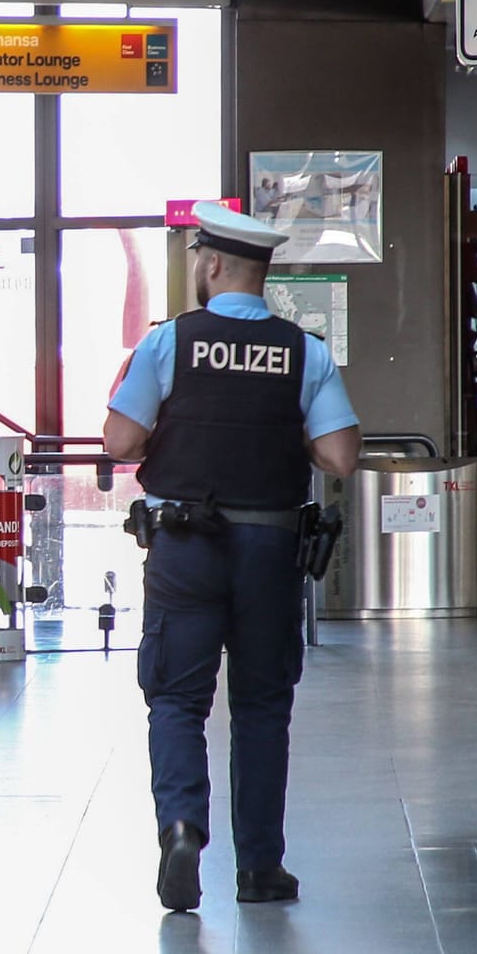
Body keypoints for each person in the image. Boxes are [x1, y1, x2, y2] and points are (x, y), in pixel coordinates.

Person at [103, 201, 360, 913]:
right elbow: (340, 454)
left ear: (212, 264)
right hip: (269, 548)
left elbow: (121, 441)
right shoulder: (303, 351)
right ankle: (260, 868)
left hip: (185, 545)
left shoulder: (169, 344)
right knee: (261, 704)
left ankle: (183, 826)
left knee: (178, 699)